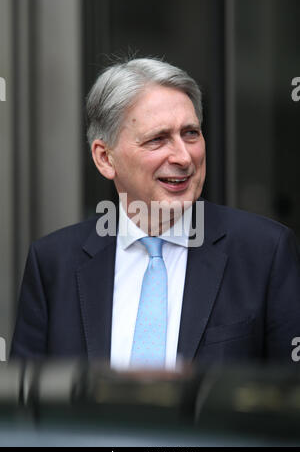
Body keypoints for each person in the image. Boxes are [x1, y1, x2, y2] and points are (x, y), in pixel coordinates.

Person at [10, 57, 300, 368]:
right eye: (158, 139)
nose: (183, 156)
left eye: (190, 133)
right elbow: (26, 405)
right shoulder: (54, 263)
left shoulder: (263, 252)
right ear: (105, 158)